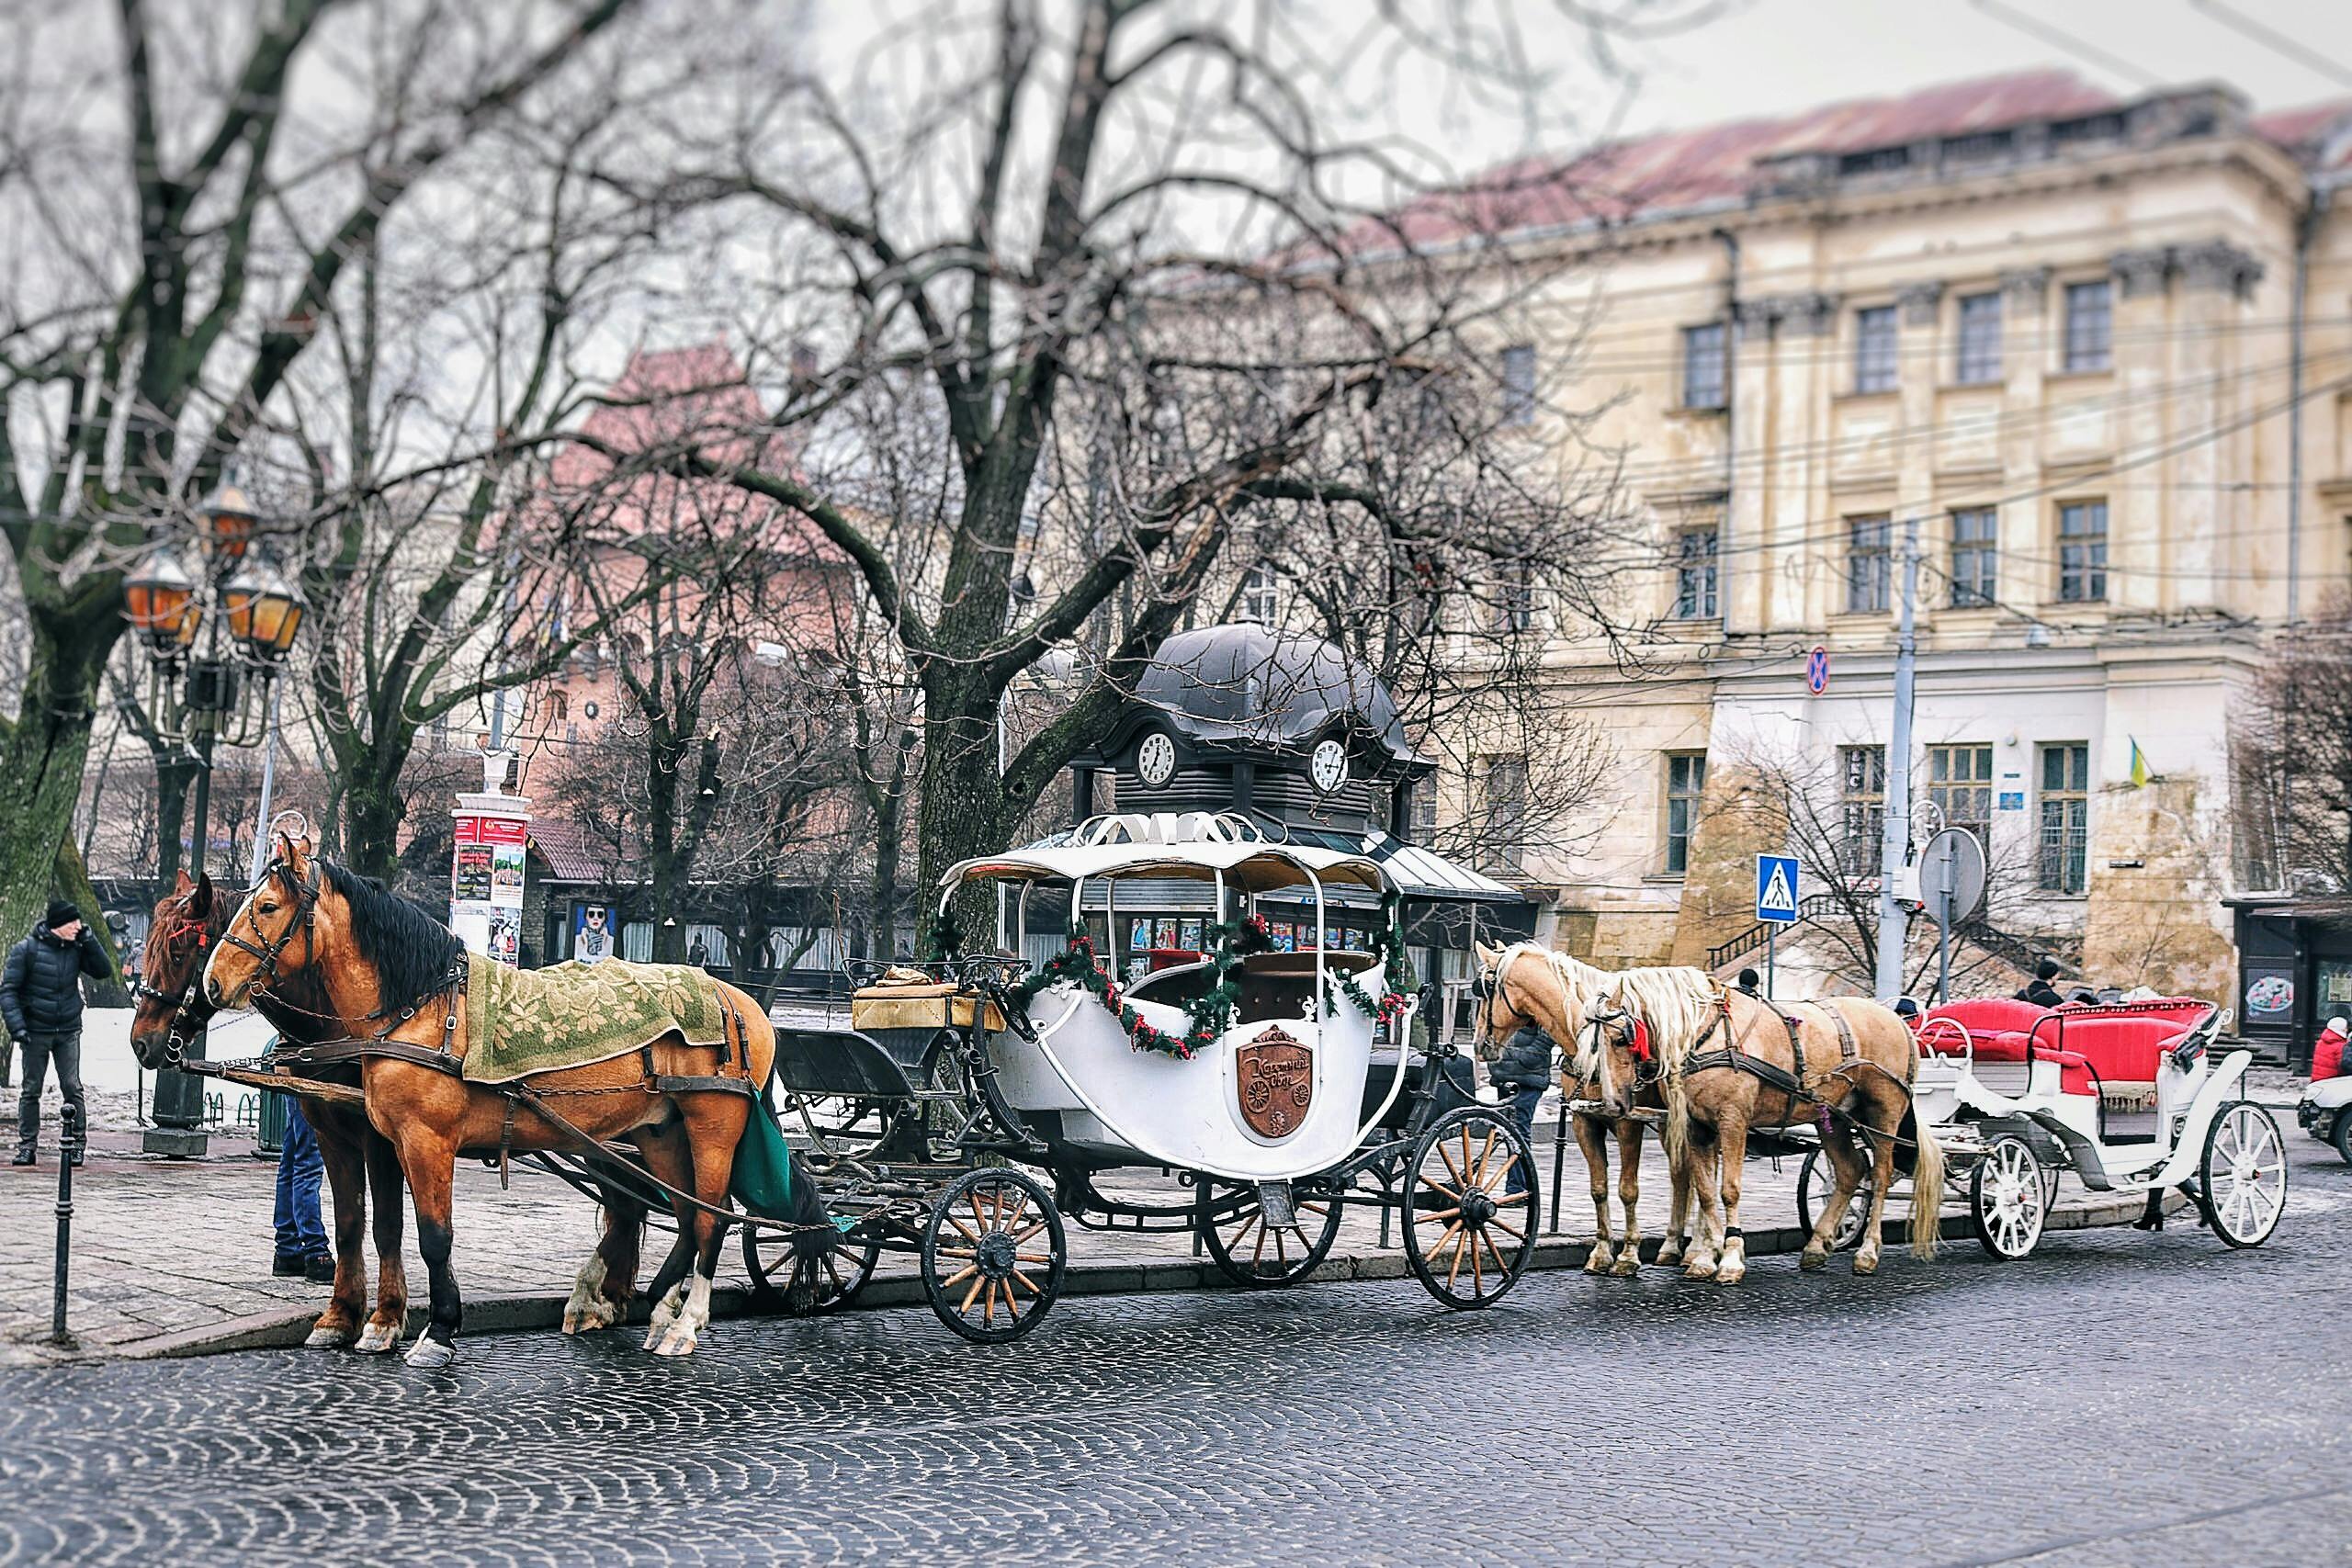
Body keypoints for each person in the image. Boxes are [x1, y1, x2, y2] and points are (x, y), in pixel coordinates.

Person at [2, 898, 112, 1167]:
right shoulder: (26, 950)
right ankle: (27, 1147)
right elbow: (8, 991)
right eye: (72, 922)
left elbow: (103, 971)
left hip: (68, 1030)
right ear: (57, 926)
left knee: (72, 1087)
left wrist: (90, 941)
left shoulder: (76, 947)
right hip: (35, 1031)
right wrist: (17, 1027)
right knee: (31, 1090)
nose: (77, 926)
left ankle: (77, 1145)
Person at [270, 1084, 335, 1283]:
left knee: (292, 1159)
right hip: (306, 1074)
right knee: (307, 1160)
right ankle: (316, 1253)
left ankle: (288, 1250)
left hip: (292, 1071)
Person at [1488, 1023, 1554, 1197]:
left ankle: (1518, 1189)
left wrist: (1515, 1055)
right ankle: (1519, 1187)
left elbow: (1546, 1038)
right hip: (1503, 1076)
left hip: (1528, 1079)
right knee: (1511, 1132)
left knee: (1518, 1133)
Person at [2313, 1016, 2351, 1082]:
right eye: (2346, 1028)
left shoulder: (2321, 1041)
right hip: (2331, 1082)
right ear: (2342, 1029)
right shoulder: (2340, 1046)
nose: (2347, 1029)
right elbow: (2346, 1067)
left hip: (2317, 1081)